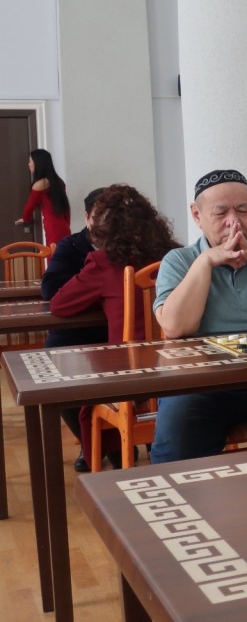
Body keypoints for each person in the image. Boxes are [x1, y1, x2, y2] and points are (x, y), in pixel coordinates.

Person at [50, 184, 180, 469]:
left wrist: (103, 300)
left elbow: (59, 304)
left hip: (129, 380)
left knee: (70, 388)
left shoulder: (103, 263)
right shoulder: (176, 255)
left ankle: (113, 459)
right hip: (177, 371)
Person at [151, 169, 247, 463]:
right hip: (202, 383)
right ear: (197, 215)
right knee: (176, 441)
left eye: (243, 211)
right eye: (221, 213)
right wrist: (206, 261)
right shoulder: (179, 260)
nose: (234, 222)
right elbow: (176, 327)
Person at [40, 186, 109, 471]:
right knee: (53, 375)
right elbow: (50, 289)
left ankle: (115, 437)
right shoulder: (71, 246)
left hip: (113, 329)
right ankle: (92, 441)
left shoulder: (132, 243)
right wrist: (94, 289)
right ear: (87, 217)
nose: (106, 223)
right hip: (74, 330)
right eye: (99, 216)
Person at [14, 148, 72, 245]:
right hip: (64, 227)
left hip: (52, 228)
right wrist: (67, 224)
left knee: (54, 253)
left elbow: (29, 208)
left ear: (38, 163)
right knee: (64, 252)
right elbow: (66, 207)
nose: (29, 164)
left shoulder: (40, 184)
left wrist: (26, 219)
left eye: (30, 161)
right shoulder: (59, 181)